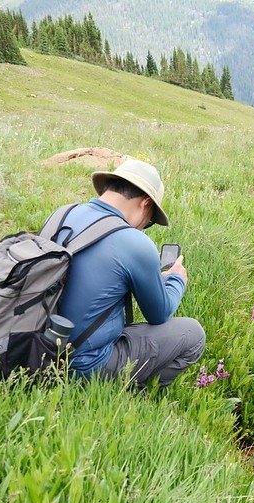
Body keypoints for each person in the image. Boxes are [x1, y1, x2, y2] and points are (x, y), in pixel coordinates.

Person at [52, 157, 205, 386]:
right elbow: (158, 314)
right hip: (85, 364)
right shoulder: (134, 242)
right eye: (151, 220)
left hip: (40, 346)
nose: (144, 226)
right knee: (193, 334)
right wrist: (176, 280)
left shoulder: (62, 215)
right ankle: (131, 393)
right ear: (145, 204)